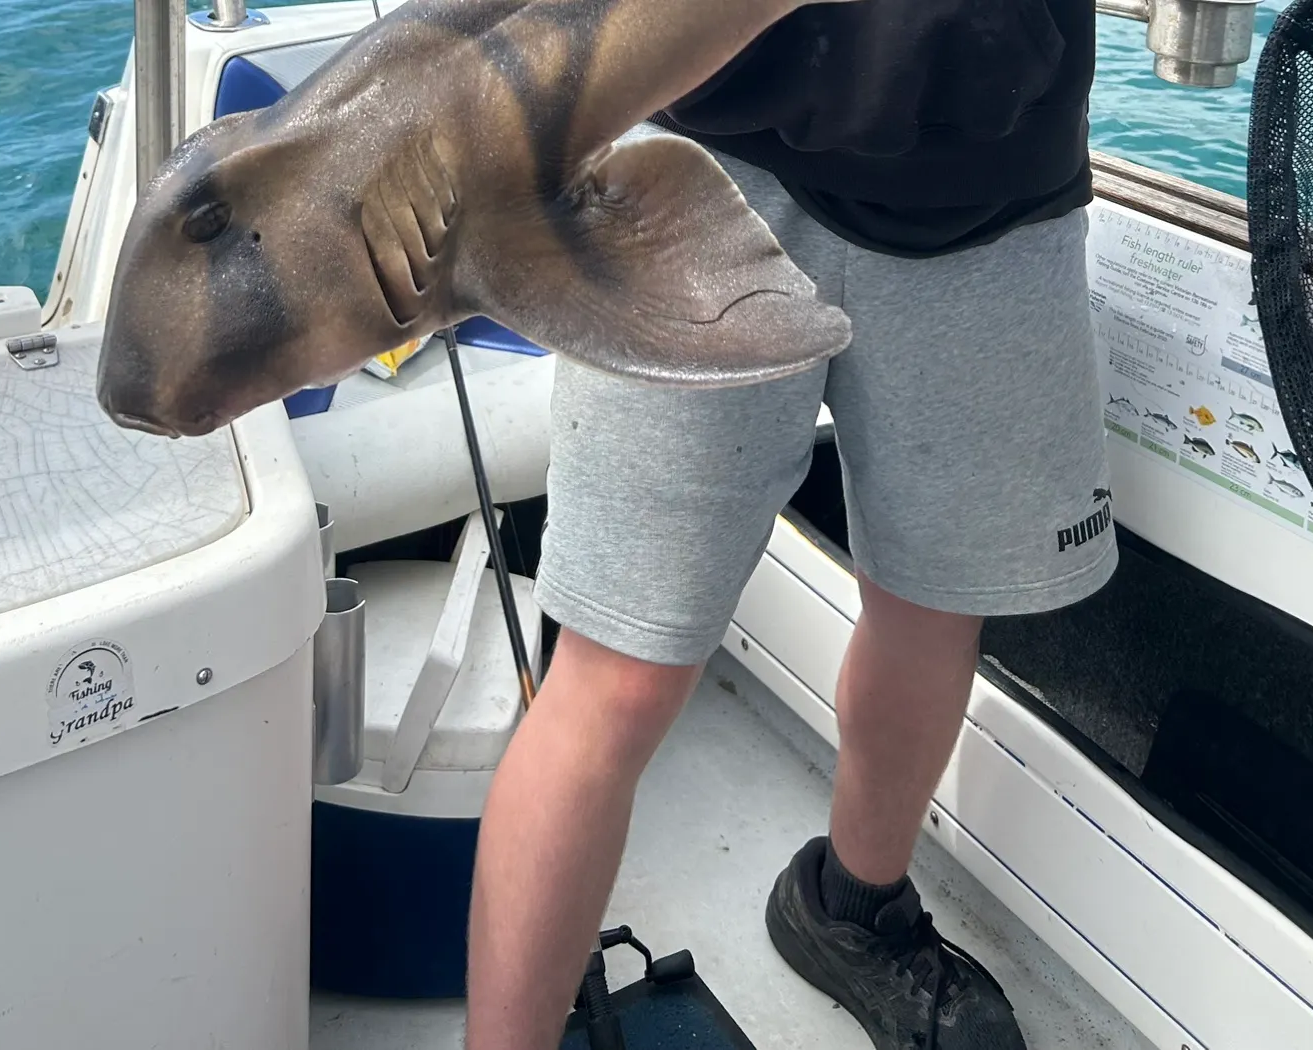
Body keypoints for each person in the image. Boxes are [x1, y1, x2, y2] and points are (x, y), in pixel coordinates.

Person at [465, 2, 1109, 1048]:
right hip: (696, 164)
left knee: (934, 609)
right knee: (616, 672)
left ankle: (853, 912)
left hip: (997, 170)